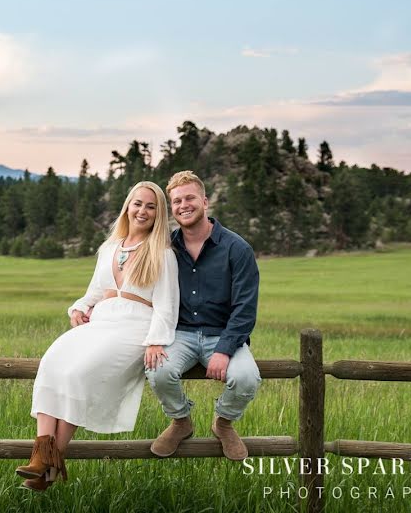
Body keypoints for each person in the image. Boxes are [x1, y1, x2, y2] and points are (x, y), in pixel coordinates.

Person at [17, 181, 179, 491]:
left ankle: (51, 462)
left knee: (79, 373)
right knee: (53, 363)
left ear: (159, 214)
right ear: (127, 206)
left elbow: (167, 305)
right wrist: (78, 308)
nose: (142, 210)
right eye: (137, 203)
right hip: (101, 321)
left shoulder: (161, 253)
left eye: (150, 206)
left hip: (134, 327)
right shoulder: (109, 248)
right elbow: (93, 292)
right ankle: (42, 460)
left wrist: (156, 339)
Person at [146, 170, 261, 461]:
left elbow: (245, 308)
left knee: (246, 377)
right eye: (176, 201)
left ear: (205, 201)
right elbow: (142, 291)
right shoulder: (165, 248)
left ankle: (223, 423)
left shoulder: (237, 249)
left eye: (190, 198)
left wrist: (224, 349)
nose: (184, 205)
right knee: (158, 371)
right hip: (179, 334)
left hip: (222, 334)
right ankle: (181, 421)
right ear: (171, 208)